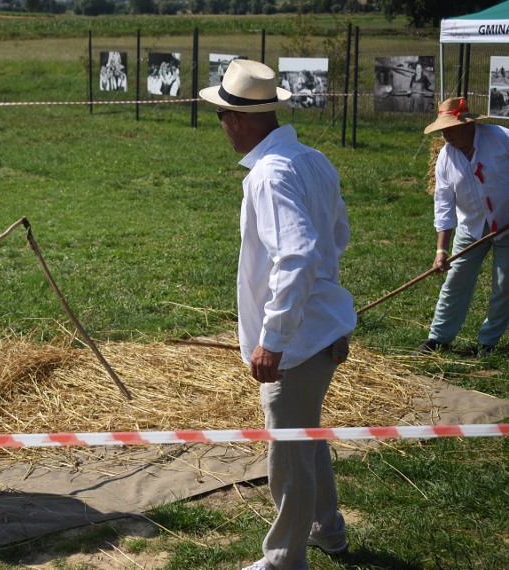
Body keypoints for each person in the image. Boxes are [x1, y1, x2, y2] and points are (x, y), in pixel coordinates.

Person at [199, 59, 356, 570]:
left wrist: (273, 338)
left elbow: (300, 253)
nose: (221, 127)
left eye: (222, 117)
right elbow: (337, 239)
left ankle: (284, 560)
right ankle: (328, 530)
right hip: (321, 329)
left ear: (239, 120)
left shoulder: (268, 175)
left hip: (298, 342)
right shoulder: (312, 159)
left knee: (288, 457)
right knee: (306, 438)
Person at [412, 97, 509, 358]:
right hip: (472, 226)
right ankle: (438, 338)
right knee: (455, 280)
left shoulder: (500, 138)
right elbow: (443, 203)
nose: (445, 134)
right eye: (442, 129)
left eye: (450, 127)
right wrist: (441, 251)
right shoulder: (446, 157)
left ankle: (488, 343)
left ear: (467, 125)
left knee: (504, 283)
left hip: (507, 222)